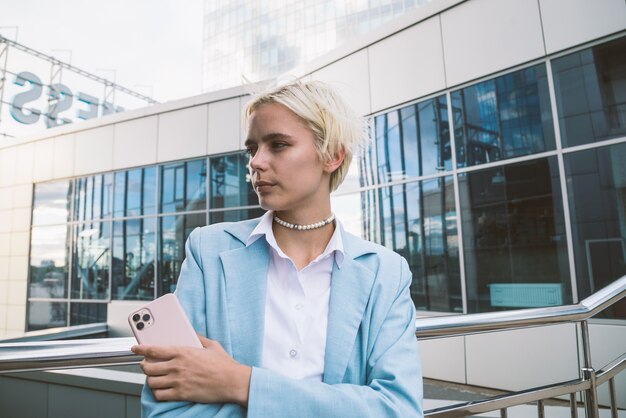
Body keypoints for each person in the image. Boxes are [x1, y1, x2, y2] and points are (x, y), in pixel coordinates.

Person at [132, 80, 423, 417]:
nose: (256, 162)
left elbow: (398, 410)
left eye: (278, 145)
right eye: (252, 148)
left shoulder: (385, 272)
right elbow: (167, 410)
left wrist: (239, 383)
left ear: (332, 155)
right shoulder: (207, 251)